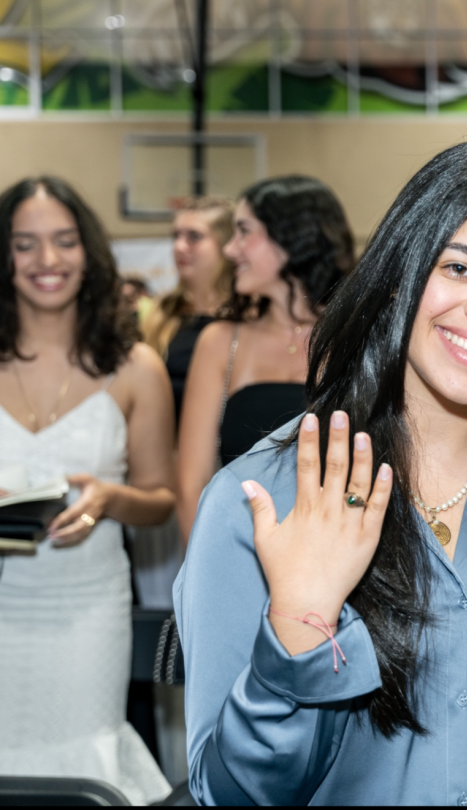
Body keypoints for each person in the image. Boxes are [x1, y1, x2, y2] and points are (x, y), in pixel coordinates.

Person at [174, 141, 467, 804]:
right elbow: (230, 793)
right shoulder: (260, 501)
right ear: (399, 272)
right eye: (459, 268)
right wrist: (298, 624)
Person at [0, 177, 176, 804]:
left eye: (64, 241)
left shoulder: (135, 367)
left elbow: (162, 500)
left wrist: (108, 499)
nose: (47, 261)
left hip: (85, 609)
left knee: (81, 764)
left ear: (89, 252)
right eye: (26, 244)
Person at [176, 176, 353, 544]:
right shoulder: (221, 343)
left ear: (290, 238)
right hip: (237, 550)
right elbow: (192, 483)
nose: (229, 250)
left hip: (340, 558)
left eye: (243, 231)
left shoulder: (358, 340)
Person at [141, 197, 236, 425]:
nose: (179, 247)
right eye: (176, 236)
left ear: (227, 244)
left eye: (194, 237)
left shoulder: (249, 318)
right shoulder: (160, 314)